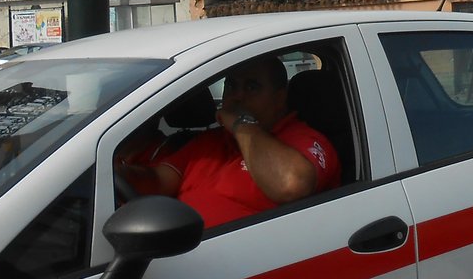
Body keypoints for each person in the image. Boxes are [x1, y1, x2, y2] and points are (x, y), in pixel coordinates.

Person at [120, 54, 340, 229]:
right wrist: (114, 174)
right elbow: (158, 181)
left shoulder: (304, 140)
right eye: (232, 86)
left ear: (280, 98)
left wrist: (241, 124)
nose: (237, 97)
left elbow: (291, 185)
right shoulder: (210, 141)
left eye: (252, 87)